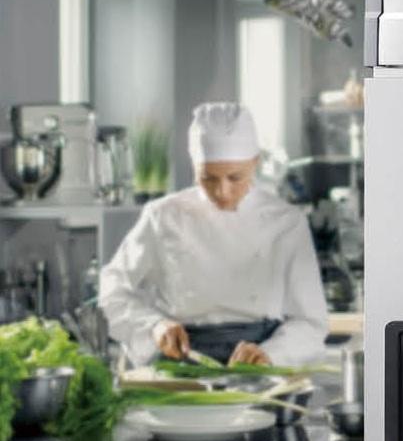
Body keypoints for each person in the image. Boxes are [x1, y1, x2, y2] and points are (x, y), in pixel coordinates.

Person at [99, 103, 328, 368]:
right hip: (182, 360)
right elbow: (112, 289)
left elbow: (310, 321)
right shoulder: (162, 215)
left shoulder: (286, 222)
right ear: (194, 165)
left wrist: (272, 353)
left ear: (255, 162)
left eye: (235, 177)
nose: (222, 191)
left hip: (257, 365)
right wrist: (154, 326)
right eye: (208, 178)